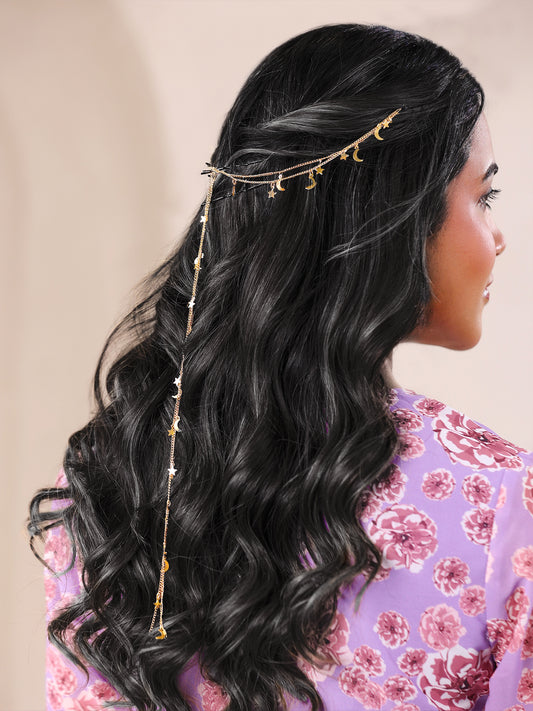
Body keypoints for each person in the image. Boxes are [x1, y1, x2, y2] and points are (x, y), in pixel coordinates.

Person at [28, 22, 533, 711]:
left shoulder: (110, 479)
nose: (497, 237)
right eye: (483, 197)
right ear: (390, 215)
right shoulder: (503, 506)